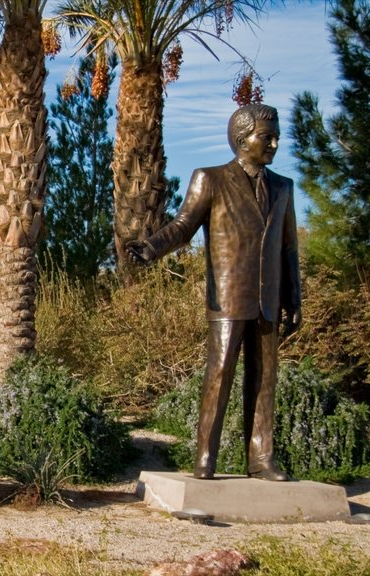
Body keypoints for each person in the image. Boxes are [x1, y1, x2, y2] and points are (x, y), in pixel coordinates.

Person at [126, 103, 301, 481]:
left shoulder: (283, 187)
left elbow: (289, 248)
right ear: (242, 139)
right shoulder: (211, 179)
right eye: (266, 136)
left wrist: (294, 299)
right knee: (219, 376)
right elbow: (184, 224)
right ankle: (205, 458)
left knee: (265, 379)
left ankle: (261, 459)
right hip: (228, 297)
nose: (274, 142)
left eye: (276, 136)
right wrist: (152, 247)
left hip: (268, 300)